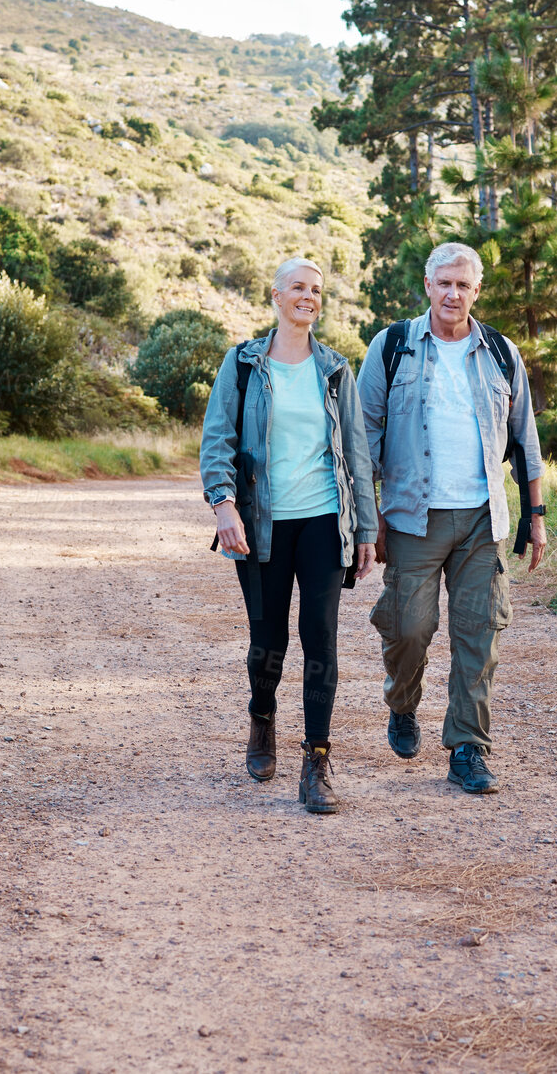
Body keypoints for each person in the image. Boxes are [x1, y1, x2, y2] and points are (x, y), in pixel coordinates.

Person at [357, 241, 547, 796]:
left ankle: (468, 747)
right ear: (428, 286)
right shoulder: (392, 347)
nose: (453, 293)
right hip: (413, 518)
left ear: (476, 291)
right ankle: (403, 701)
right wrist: (369, 523)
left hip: (482, 520)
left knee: (478, 636)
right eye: (444, 282)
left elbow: (525, 442)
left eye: (463, 285)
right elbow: (365, 439)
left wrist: (535, 516)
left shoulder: (501, 353)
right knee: (408, 627)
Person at [199, 257, 376, 814]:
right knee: (268, 641)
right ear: (275, 296)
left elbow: (356, 454)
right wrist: (223, 506)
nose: (308, 297)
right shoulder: (244, 364)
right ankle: (262, 717)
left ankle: (317, 759)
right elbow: (217, 438)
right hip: (262, 524)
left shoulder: (335, 369)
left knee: (320, 635)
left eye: (316, 290)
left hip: (324, 518)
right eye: (298, 288)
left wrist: (366, 528)